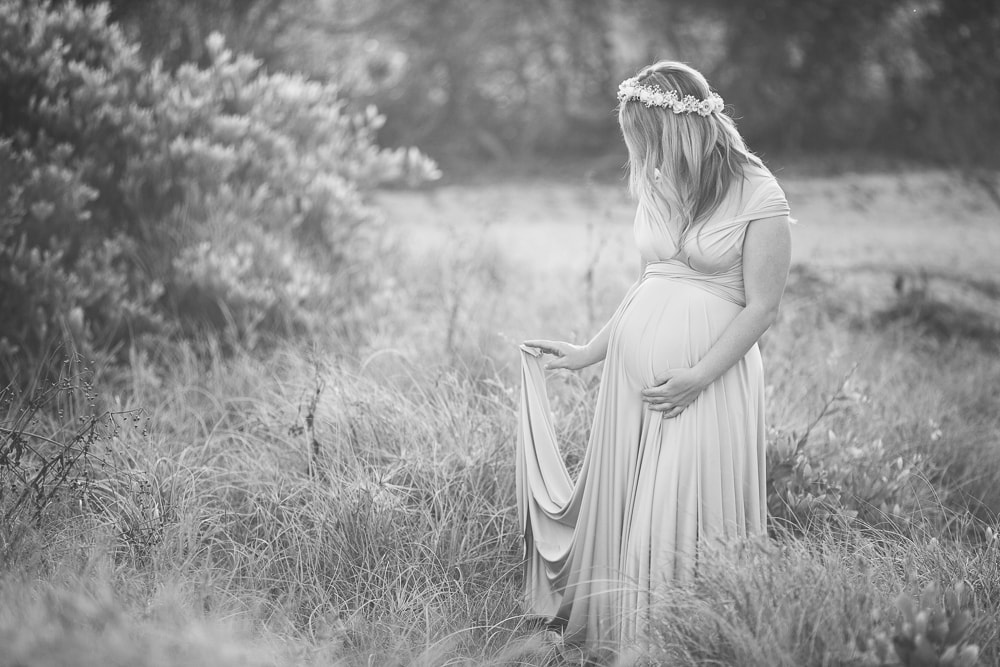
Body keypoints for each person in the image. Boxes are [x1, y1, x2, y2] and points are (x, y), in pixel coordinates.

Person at [518, 60, 792, 653]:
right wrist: (589, 351)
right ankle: (628, 637)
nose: (639, 152)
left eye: (644, 135)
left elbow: (762, 307)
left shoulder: (759, 192)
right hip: (632, 383)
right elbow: (650, 279)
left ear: (679, 126)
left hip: (707, 380)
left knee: (677, 510)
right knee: (632, 507)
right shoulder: (661, 180)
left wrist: (698, 374)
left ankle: (679, 639)